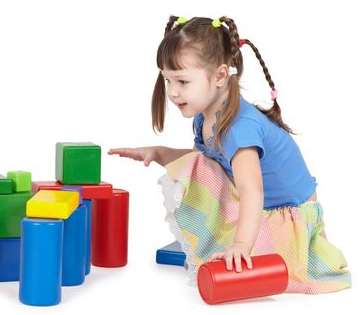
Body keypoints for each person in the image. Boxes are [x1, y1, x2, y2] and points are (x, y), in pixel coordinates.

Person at [109, 15, 351, 293]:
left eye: (182, 81)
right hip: (257, 205)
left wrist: (241, 246)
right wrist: (159, 152)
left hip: (287, 217)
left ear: (221, 75)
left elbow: (252, 192)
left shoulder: (240, 128)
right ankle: (232, 238)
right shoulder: (205, 117)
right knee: (198, 163)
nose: (173, 93)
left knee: (237, 252)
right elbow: (205, 166)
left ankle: (247, 242)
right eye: (167, 81)